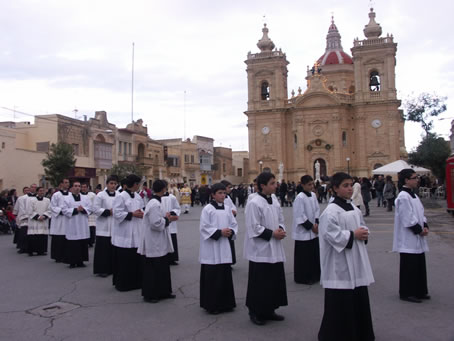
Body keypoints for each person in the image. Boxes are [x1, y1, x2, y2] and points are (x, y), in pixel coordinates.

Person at [318, 172, 375, 341]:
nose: (350, 189)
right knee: (341, 302)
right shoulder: (330, 212)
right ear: (335, 189)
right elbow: (332, 235)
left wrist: (364, 233)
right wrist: (353, 234)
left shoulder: (354, 209)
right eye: (345, 185)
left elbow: (362, 226)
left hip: (356, 260)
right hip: (339, 265)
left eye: (351, 185)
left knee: (358, 298)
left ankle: (360, 332)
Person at [244, 172, 287, 326]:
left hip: (274, 246)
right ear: (263, 186)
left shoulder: (274, 199)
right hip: (260, 249)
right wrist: (272, 233)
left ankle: (270, 309)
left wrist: (281, 228)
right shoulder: (254, 203)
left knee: (273, 280)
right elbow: (253, 227)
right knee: (260, 282)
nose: (276, 185)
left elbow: (280, 217)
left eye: (275, 183)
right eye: (272, 183)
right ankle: (255, 311)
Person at [199, 183, 238, 314]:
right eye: (220, 193)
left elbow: (234, 224)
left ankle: (226, 303)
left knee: (224, 274)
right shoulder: (208, 209)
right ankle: (212, 305)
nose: (223, 195)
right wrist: (219, 232)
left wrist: (231, 231)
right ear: (213, 195)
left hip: (224, 245)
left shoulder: (227, 209)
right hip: (212, 246)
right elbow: (204, 227)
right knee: (213, 276)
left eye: (224, 193)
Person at [393, 169, 430, 303]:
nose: (417, 180)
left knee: (419, 265)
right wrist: (419, 230)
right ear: (406, 180)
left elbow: (421, 212)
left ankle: (420, 290)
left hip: (418, 236)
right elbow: (406, 217)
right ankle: (407, 292)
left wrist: (425, 225)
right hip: (408, 237)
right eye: (414, 178)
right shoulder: (403, 196)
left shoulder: (413, 195)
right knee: (409, 266)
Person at [138, 180, 178, 303]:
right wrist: (167, 220)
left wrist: (165, 217)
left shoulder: (157, 201)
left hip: (159, 239)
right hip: (153, 240)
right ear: (163, 189)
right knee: (153, 268)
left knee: (162, 266)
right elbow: (155, 223)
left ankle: (163, 291)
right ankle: (151, 294)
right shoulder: (154, 203)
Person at [112, 174, 144, 291]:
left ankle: (136, 282)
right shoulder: (121, 196)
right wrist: (131, 214)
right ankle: (123, 284)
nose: (139, 186)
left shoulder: (137, 196)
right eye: (138, 184)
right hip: (124, 231)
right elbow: (117, 213)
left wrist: (141, 213)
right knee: (125, 260)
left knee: (135, 259)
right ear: (134, 184)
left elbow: (142, 207)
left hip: (136, 230)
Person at [292, 175, 320, 284]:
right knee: (304, 257)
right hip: (303, 231)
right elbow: (299, 215)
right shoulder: (299, 197)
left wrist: (316, 222)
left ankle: (315, 275)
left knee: (313, 255)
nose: (311, 186)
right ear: (302, 185)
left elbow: (317, 209)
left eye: (312, 184)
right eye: (309, 184)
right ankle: (303, 277)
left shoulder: (313, 195)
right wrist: (310, 226)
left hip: (313, 229)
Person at [92, 176, 118, 277]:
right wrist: (108, 211)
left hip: (114, 225)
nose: (113, 185)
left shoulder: (119, 195)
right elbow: (95, 209)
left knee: (112, 249)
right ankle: (102, 269)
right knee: (103, 250)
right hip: (103, 226)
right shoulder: (100, 195)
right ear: (107, 184)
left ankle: (112, 268)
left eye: (115, 184)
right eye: (111, 183)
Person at [62, 181, 92, 268]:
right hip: (72, 223)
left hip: (82, 223)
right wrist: (76, 210)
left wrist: (83, 209)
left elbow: (90, 208)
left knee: (82, 243)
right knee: (73, 243)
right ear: (72, 188)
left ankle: (81, 261)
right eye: (75, 186)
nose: (77, 188)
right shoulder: (67, 198)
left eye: (79, 186)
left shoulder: (86, 198)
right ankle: (72, 262)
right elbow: (64, 210)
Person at [49, 179, 70, 263]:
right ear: (61, 184)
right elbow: (52, 206)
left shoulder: (71, 195)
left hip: (67, 218)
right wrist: (61, 211)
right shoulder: (56, 195)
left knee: (67, 237)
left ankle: (66, 255)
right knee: (58, 237)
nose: (67, 184)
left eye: (68, 183)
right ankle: (57, 256)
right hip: (59, 219)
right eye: (65, 183)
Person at [27, 187, 51, 256]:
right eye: (40, 191)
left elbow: (49, 210)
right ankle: (31, 251)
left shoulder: (47, 200)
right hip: (34, 221)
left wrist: (44, 216)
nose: (42, 192)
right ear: (37, 192)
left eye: (43, 191)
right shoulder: (32, 200)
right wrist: (37, 217)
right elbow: (29, 210)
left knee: (42, 235)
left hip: (43, 220)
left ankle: (41, 251)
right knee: (33, 235)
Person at [161, 181, 181, 265]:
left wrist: (172, 213)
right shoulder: (156, 198)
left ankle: (172, 258)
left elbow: (177, 207)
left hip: (171, 222)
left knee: (172, 239)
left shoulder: (172, 197)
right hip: (161, 221)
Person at [221, 180, 238, 265]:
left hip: (230, 224)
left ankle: (230, 260)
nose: (230, 189)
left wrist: (234, 211)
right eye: (228, 187)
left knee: (230, 243)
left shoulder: (228, 198)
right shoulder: (221, 199)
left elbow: (233, 207)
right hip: (223, 225)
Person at [81, 183, 96, 247]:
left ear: (88, 188)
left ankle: (91, 241)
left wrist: (91, 210)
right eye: (83, 187)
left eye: (85, 187)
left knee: (91, 228)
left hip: (91, 214)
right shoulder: (79, 195)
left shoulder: (92, 195)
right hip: (83, 214)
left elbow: (95, 203)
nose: (84, 189)